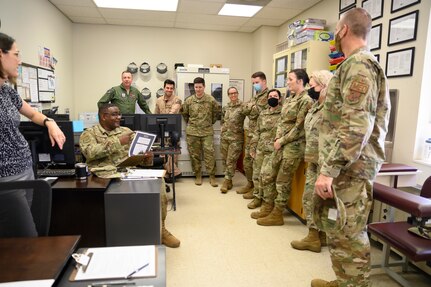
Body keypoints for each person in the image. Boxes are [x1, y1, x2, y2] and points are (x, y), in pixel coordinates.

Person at [312, 8, 390, 287]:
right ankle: (344, 281)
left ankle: (354, 284)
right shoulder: (352, 64)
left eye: (336, 30)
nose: (334, 35)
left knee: (349, 233)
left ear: (343, 30)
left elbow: (357, 128)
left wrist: (329, 171)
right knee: (340, 229)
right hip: (346, 166)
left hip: (351, 169)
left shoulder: (359, 66)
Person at [79, 103, 180, 248]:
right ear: (103, 116)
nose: (119, 117)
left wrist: (146, 157)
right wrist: (117, 142)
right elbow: (90, 152)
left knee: (160, 184)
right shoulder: (89, 133)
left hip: (129, 172)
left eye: (119, 114)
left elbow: (139, 159)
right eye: (114, 114)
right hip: (103, 177)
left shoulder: (126, 131)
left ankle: (161, 228)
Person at [0, 32, 66, 237]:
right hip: (6, 179)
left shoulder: (7, 92)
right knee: (26, 239)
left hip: (25, 171)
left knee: (26, 236)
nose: (19, 60)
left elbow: (33, 113)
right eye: (16, 54)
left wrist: (50, 122)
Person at [257, 69, 313, 226]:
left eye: (290, 79)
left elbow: (299, 127)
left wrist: (282, 140)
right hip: (280, 143)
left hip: (293, 147)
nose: (287, 82)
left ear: (300, 81)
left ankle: (277, 213)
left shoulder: (306, 101)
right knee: (268, 174)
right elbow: (282, 121)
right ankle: (268, 206)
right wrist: (277, 137)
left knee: (282, 181)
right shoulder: (289, 99)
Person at [290, 70, 333, 253]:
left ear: (324, 86)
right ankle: (318, 235)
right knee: (313, 198)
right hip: (314, 159)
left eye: (313, 85)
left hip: (326, 163)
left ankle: (314, 236)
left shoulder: (331, 109)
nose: (310, 88)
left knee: (313, 198)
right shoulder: (316, 106)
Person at [181, 77, 221, 187]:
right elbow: (185, 114)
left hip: (207, 131)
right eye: (196, 87)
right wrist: (192, 124)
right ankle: (198, 175)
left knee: (210, 155)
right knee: (195, 155)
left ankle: (212, 176)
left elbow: (217, 113)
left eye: (200, 87)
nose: (198, 89)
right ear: (194, 87)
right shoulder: (189, 101)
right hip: (192, 132)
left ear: (204, 87)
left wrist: (209, 122)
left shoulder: (211, 100)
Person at [248, 89, 282, 211]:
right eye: (270, 96)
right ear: (267, 99)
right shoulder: (263, 114)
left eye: (275, 96)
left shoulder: (283, 113)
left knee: (267, 177)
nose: (272, 98)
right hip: (260, 149)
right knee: (256, 174)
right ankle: (257, 197)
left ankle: (268, 202)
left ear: (280, 98)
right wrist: (253, 147)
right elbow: (257, 132)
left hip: (273, 151)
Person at [237, 71, 269, 198]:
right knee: (247, 161)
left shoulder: (269, 96)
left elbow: (256, 112)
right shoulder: (255, 96)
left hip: (262, 135)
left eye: (257, 82)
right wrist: (250, 107)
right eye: (253, 83)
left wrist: (250, 107)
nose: (255, 85)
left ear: (264, 81)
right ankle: (249, 184)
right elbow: (244, 110)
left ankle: (257, 190)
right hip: (251, 133)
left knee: (257, 164)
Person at [154, 79, 182, 182]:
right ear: (164, 88)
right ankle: (169, 174)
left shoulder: (177, 99)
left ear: (173, 89)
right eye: (167, 88)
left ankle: (173, 174)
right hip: (161, 130)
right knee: (163, 152)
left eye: (171, 88)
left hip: (173, 130)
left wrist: (167, 117)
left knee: (173, 153)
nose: (169, 90)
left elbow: (174, 111)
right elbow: (155, 115)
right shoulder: (159, 100)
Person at [220, 86, 246, 193]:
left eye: (235, 93)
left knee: (231, 160)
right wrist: (222, 128)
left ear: (237, 93)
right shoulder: (226, 107)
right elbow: (222, 120)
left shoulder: (243, 106)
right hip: (225, 137)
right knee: (225, 159)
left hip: (236, 138)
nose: (233, 95)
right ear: (228, 95)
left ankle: (226, 181)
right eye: (231, 94)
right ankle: (229, 180)